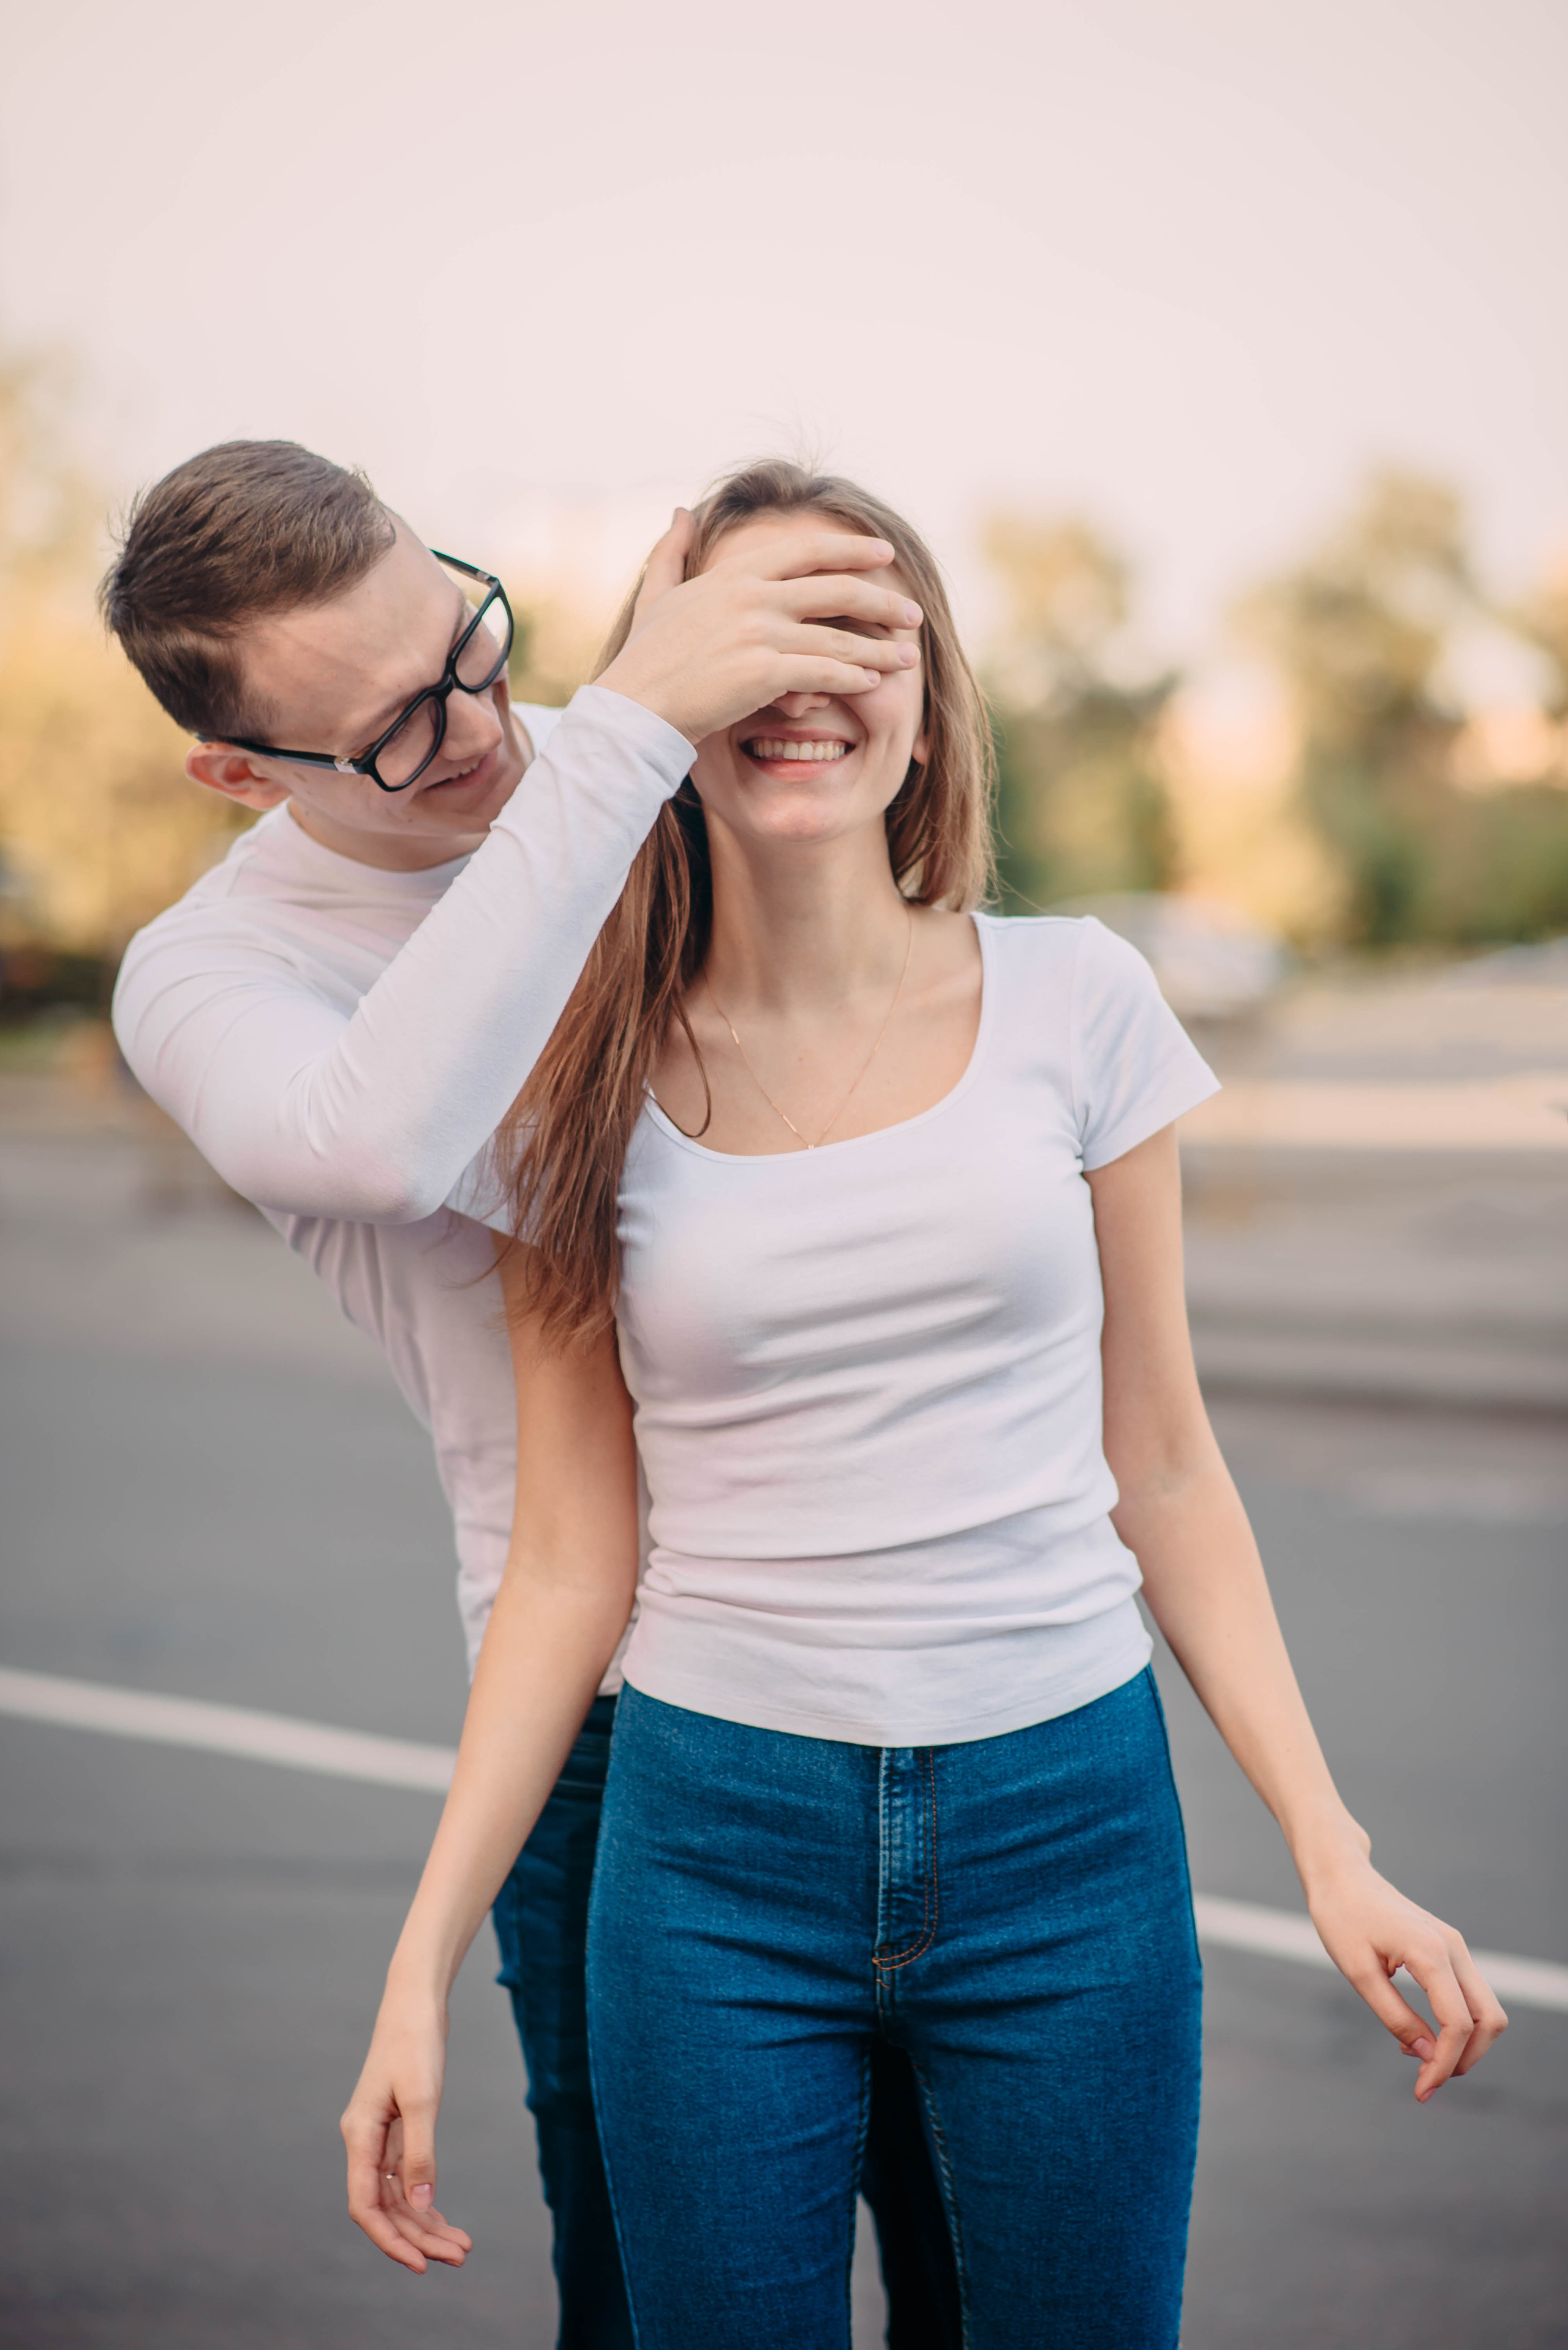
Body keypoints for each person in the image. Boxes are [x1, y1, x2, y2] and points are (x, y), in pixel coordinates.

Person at [343, 459, 1510, 2348]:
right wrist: (418, 1962)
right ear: (661, 699)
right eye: (750, 634)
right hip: (711, 1851)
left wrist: (1328, 1836)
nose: (804, 680)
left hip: (1072, 1832)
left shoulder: (1083, 1000)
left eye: (857, 626)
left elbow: (1169, 1466)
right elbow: (570, 1554)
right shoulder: (575, 1073)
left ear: (931, 693)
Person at [104, 440, 959, 2347]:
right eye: (396, 728)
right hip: (608, 1712)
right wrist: (632, 727)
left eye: (470, 642)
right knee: (668, 2306)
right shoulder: (207, 977)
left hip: (920, 1657)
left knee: (991, 2276)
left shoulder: (619, 756)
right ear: (241, 772)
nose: (481, 728)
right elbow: (390, 1135)